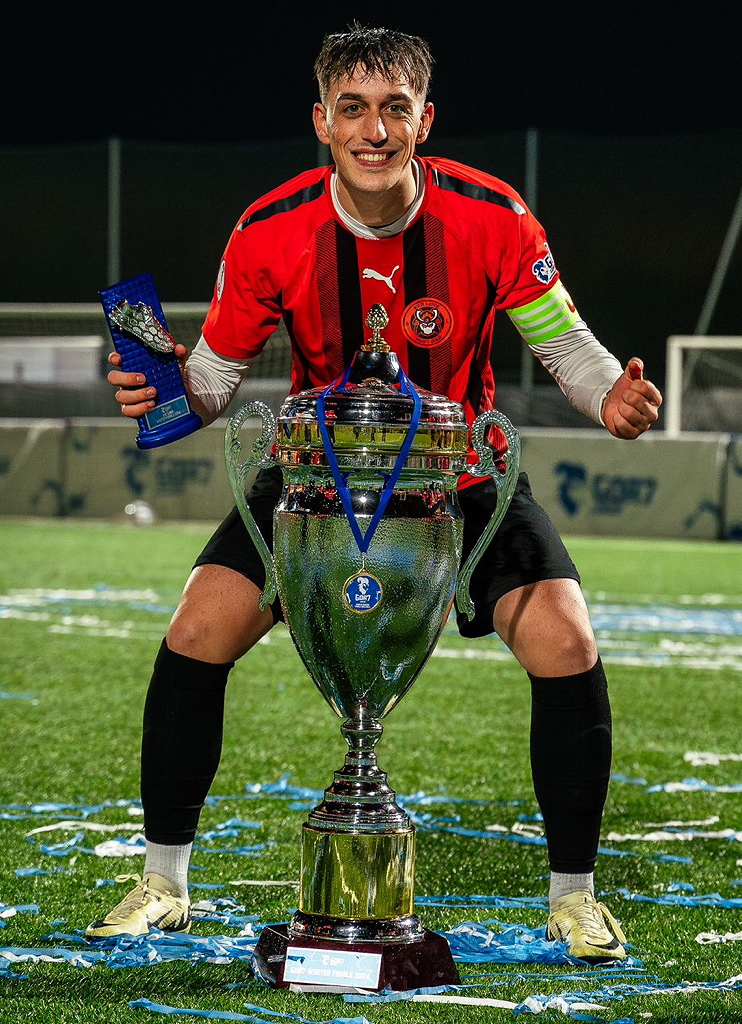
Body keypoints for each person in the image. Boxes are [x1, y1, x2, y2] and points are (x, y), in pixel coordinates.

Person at [86, 23, 662, 962]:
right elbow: (215, 379)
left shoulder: (493, 215)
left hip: (456, 473)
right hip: (315, 477)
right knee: (195, 630)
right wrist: (162, 392)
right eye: (352, 108)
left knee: (566, 641)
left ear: (424, 120)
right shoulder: (268, 229)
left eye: (395, 108)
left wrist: (613, 400)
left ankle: (574, 898)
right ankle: (163, 882)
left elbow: (567, 347)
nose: (374, 129)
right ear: (321, 120)